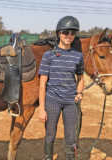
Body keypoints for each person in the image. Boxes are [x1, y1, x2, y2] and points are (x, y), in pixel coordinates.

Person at [38, 16, 84, 160]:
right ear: (59, 33)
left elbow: (81, 78)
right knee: (50, 135)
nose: (69, 36)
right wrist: (41, 108)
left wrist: (79, 92)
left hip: (71, 102)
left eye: (72, 33)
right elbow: (42, 84)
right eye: (66, 32)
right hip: (52, 101)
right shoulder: (48, 56)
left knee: (71, 137)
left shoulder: (78, 56)